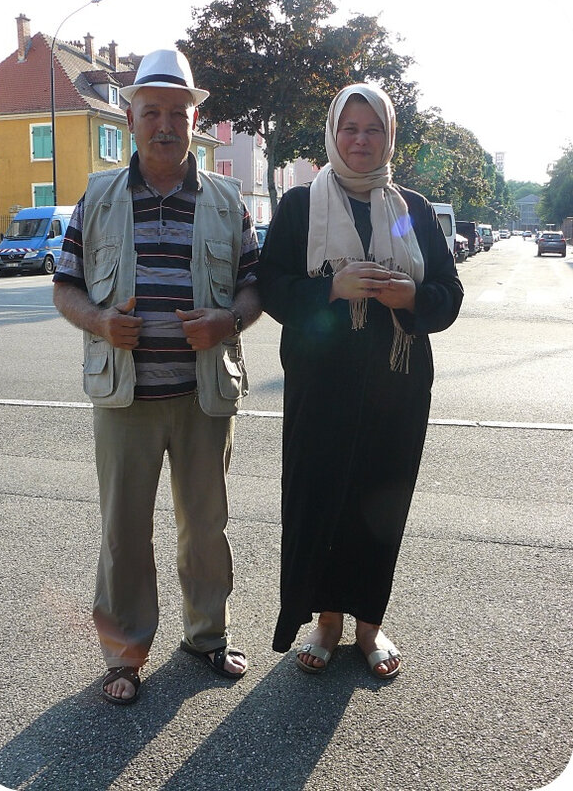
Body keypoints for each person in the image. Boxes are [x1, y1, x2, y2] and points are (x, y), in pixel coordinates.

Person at [53, 49, 261, 704]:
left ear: (192, 117)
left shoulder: (227, 201)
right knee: (123, 531)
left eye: (177, 111)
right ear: (130, 115)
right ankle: (123, 654)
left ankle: (205, 637)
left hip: (204, 398)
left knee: (205, 527)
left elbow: (255, 287)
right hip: (125, 398)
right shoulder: (98, 195)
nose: (165, 124)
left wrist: (226, 321)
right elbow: (65, 286)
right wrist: (98, 322)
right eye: (152, 112)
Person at [257, 82, 463, 678]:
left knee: (380, 502)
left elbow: (446, 296)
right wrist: (331, 288)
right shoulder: (302, 207)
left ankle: (370, 624)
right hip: (321, 387)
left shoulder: (408, 212)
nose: (361, 140)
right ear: (333, 134)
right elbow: (272, 288)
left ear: (389, 136)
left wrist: (412, 297)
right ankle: (326, 622)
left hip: (395, 389)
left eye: (373, 129)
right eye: (350, 128)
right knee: (320, 499)